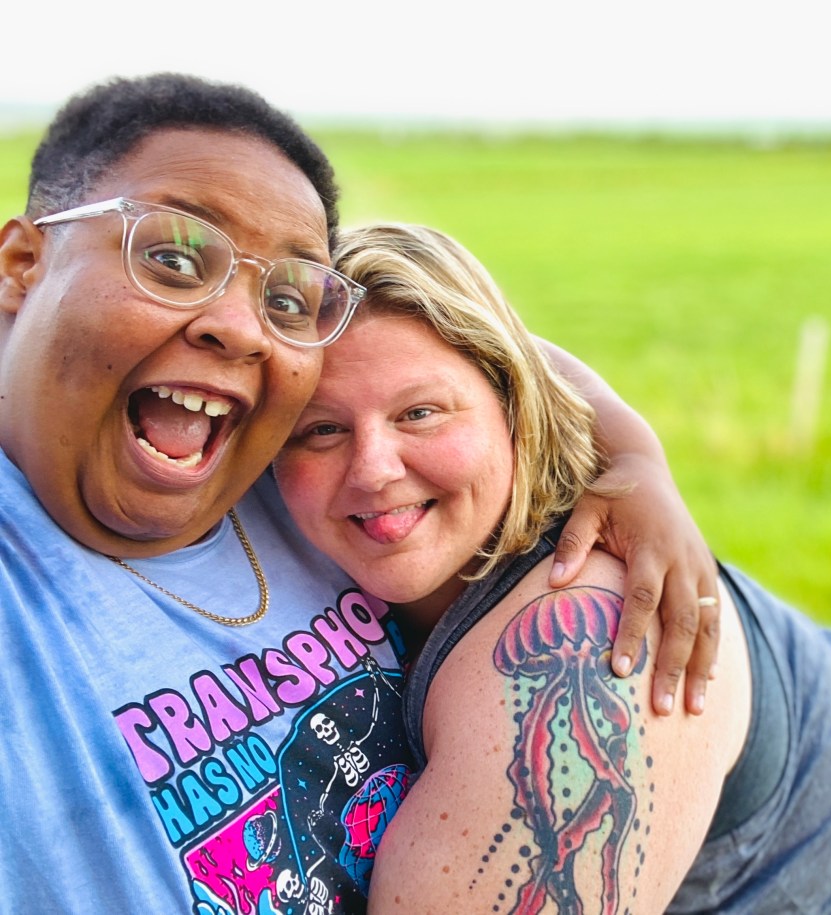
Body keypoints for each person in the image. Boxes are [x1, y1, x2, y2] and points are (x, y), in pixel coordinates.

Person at [0, 74, 718, 913]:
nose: (238, 325)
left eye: (285, 296)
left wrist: (635, 454)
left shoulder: (277, 462)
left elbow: (462, 345)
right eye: (170, 257)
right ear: (22, 264)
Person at [273, 222, 831, 914]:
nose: (374, 467)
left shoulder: (589, 633)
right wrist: (637, 446)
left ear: (514, 404)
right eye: (319, 431)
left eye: (420, 412)